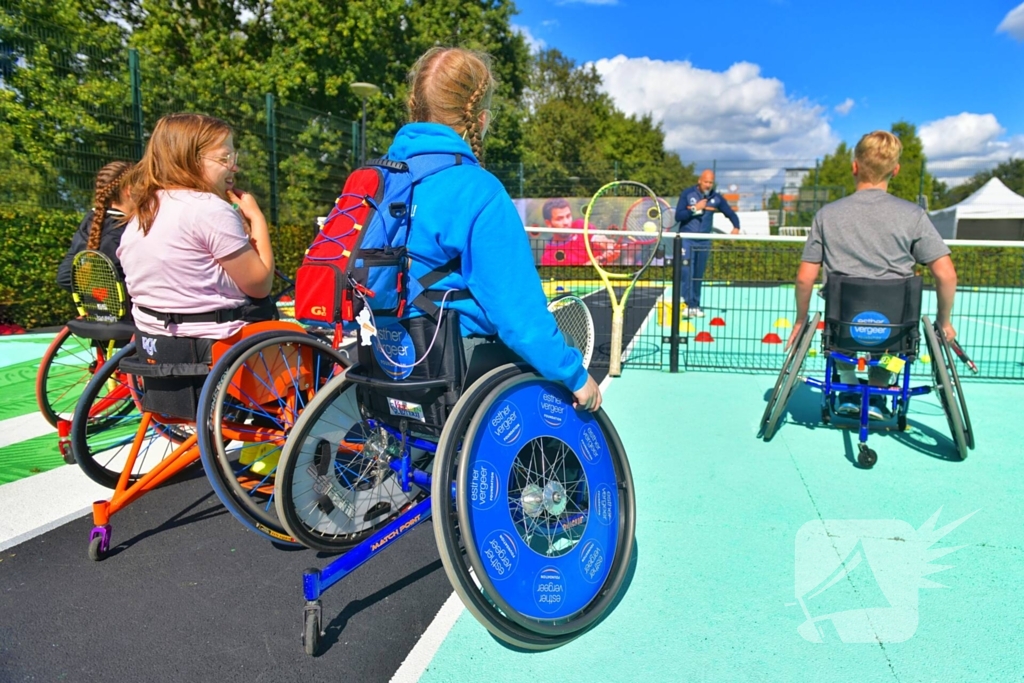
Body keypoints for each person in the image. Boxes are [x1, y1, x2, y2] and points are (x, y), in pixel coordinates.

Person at [393, 46, 601, 411]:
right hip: (451, 367)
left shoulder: (380, 180)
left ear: (415, 108)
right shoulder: (479, 190)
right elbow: (520, 319)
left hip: (384, 357)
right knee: (561, 364)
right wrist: (576, 376)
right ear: (482, 118)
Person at [789, 130, 958, 419]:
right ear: (896, 170)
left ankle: (849, 388)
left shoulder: (827, 215)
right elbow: (946, 275)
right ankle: (879, 391)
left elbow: (805, 278)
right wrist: (944, 322)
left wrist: (800, 320)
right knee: (899, 339)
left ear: (854, 167)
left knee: (839, 332)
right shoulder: (913, 215)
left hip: (843, 323)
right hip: (894, 326)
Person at [117, 113, 275, 353]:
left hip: (154, 345)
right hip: (218, 344)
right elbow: (260, 284)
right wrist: (257, 219)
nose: (234, 166)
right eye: (224, 158)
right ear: (191, 160)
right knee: (320, 359)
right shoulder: (209, 209)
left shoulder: (143, 211)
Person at [56, 161, 134, 293]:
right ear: (129, 190)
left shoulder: (88, 223)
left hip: (97, 306)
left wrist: (99, 298)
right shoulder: (129, 230)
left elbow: (65, 277)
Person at [674, 169, 740, 317]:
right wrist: (694, 208)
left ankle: (695, 305)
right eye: (706, 181)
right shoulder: (688, 194)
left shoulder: (716, 198)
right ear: (699, 180)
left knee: (698, 273)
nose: (708, 185)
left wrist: (736, 227)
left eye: (711, 182)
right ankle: (685, 304)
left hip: (704, 241)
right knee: (686, 271)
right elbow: (678, 216)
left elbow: (730, 213)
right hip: (687, 239)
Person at [539, 198, 615, 267]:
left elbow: (598, 238)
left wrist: (609, 246)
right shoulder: (547, 258)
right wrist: (597, 261)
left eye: (568, 216)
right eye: (559, 219)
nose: (566, 222)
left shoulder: (580, 225)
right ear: (548, 223)